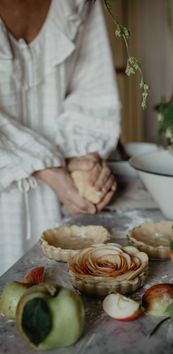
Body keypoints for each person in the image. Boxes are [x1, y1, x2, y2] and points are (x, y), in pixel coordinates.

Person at [0, 0, 121, 275]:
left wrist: (82, 161)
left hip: (59, 202)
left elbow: (93, 93)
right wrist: (47, 166)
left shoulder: (75, 3)